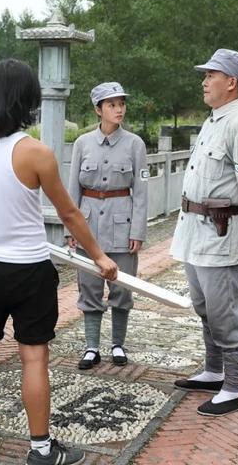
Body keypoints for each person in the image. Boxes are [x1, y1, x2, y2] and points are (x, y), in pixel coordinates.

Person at [0, 59, 118, 465]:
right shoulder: (36, 153)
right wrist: (99, 257)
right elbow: (69, 213)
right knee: (34, 356)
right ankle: (41, 449)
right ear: (27, 101)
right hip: (29, 269)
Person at [170, 49, 238, 417]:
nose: (204, 81)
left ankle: (232, 388)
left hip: (220, 232)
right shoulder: (216, 120)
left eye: (210, 75)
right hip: (196, 233)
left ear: (231, 82)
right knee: (204, 307)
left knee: (225, 313)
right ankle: (213, 371)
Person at [66, 82, 148, 370]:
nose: (119, 109)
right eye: (112, 105)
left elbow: (140, 191)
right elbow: (72, 190)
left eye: (121, 104)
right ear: (98, 110)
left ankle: (117, 345)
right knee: (89, 286)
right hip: (87, 225)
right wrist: (71, 230)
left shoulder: (135, 144)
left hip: (121, 225)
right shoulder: (82, 144)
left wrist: (137, 230)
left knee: (122, 289)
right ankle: (91, 347)